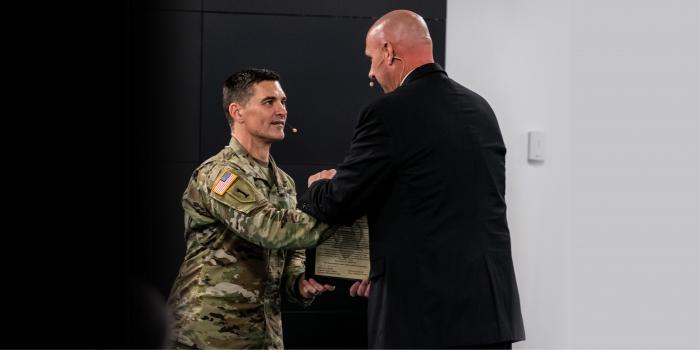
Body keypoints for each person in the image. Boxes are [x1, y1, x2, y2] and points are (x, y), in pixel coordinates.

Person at [298, 10, 525, 349]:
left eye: (372, 58)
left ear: (389, 51)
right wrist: (386, 263)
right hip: (489, 315)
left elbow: (338, 201)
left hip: (423, 319)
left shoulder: (388, 112)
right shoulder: (480, 109)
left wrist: (318, 185)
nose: (371, 72)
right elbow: (441, 207)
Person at [167, 68, 336, 349]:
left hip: (262, 335)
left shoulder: (283, 182)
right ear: (237, 111)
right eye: (269, 102)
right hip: (206, 336)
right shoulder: (219, 174)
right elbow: (270, 229)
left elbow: (291, 251)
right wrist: (332, 202)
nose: (281, 110)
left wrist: (297, 283)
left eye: (283, 101)